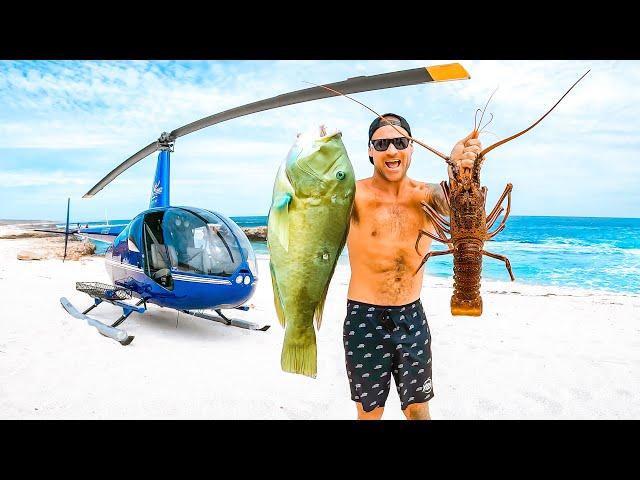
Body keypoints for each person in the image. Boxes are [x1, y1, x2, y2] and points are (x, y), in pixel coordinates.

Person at [344, 113, 481, 420]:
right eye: (382, 143)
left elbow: (463, 206)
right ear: (370, 150)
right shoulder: (352, 195)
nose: (391, 150)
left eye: (400, 142)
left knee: (418, 410)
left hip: (411, 316)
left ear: (411, 147)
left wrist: (460, 168)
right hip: (364, 318)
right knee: (369, 413)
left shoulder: (430, 195)